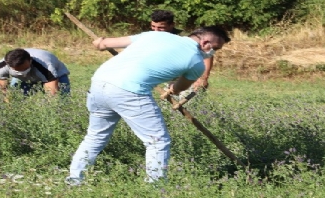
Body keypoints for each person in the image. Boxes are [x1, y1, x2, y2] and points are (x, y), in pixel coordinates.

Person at [66, 25, 231, 185]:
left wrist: (100, 43)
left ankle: (74, 179)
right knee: (157, 141)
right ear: (205, 43)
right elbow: (178, 88)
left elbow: (103, 44)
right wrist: (171, 88)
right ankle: (156, 187)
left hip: (99, 84)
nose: (213, 53)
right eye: (215, 49)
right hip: (129, 92)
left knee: (96, 136)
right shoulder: (196, 63)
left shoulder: (157, 35)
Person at [150, 10, 214, 91]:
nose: (156, 31)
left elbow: (208, 55)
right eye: (153, 26)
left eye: (161, 28)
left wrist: (203, 78)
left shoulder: (187, 38)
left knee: (190, 104)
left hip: (190, 80)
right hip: (166, 81)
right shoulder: (151, 37)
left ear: (172, 25)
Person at [0, 48, 71, 96]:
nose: (22, 72)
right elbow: (3, 89)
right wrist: (8, 102)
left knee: (61, 101)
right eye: (18, 70)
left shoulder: (45, 66)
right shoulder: (1, 67)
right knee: (17, 99)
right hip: (21, 79)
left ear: (30, 60)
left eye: (25, 68)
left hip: (56, 75)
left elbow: (52, 93)